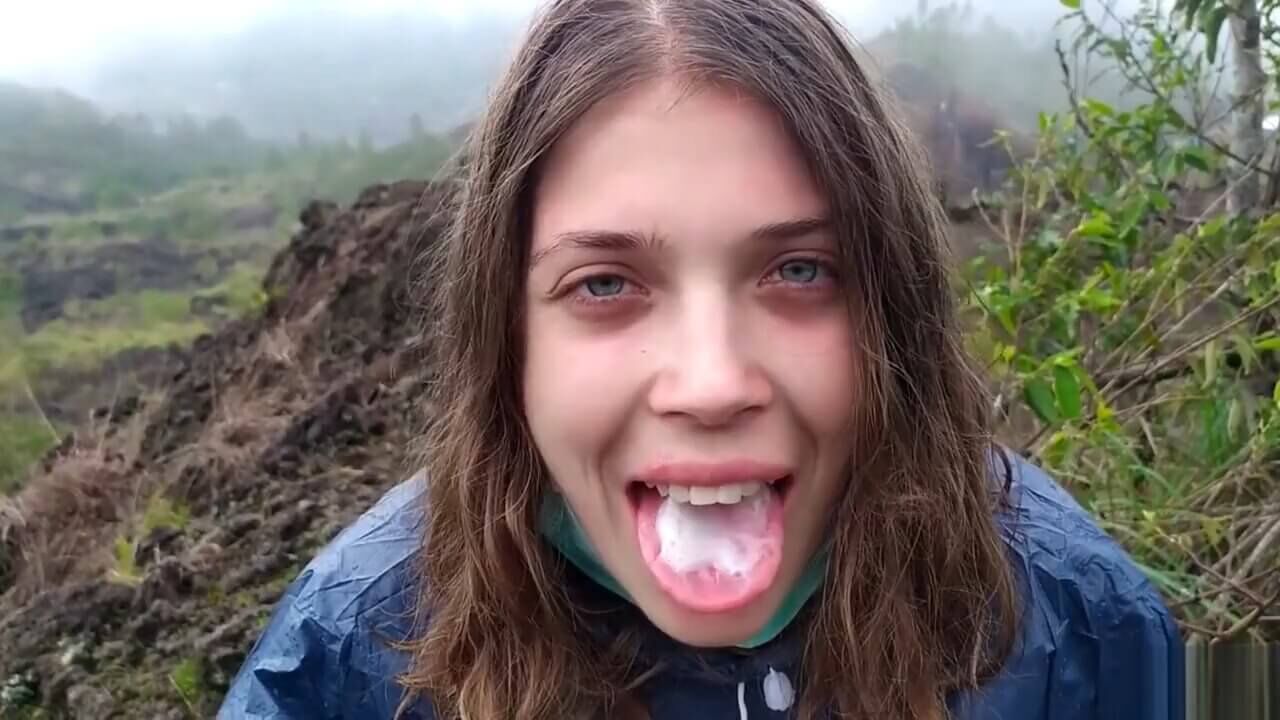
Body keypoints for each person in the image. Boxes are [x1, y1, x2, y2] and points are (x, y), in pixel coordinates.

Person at [219, 0, 1185, 718]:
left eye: (800, 270)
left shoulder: (1075, 627)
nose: (712, 384)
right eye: (605, 284)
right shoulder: (353, 656)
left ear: (895, 309)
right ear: (507, 338)